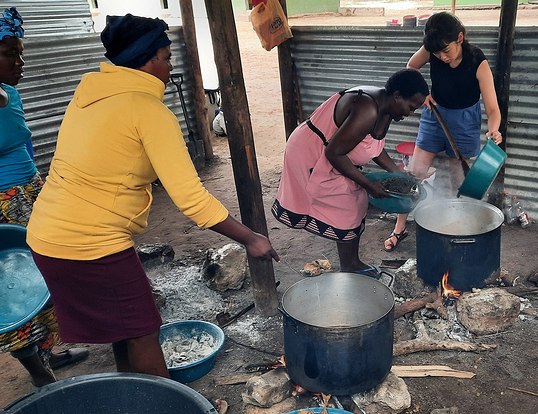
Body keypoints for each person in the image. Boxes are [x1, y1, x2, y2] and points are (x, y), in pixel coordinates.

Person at [26, 14, 279, 378]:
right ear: (148, 61)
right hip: (87, 243)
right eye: (166, 57)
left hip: (48, 235)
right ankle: (162, 402)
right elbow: (191, 199)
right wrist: (249, 238)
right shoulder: (148, 111)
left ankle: (134, 397)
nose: (169, 65)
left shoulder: (91, 93)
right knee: (143, 331)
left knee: (124, 329)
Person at [0, 7, 88, 387]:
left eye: (20, 53)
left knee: (45, 271)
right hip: (3, 203)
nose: (20, 62)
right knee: (12, 286)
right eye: (10, 54)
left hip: (30, 191)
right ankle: (38, 373)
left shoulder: (11, 93)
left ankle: (49, 350)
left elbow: (24, 144)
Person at [272, 69, 429, 277]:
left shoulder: (386, 105)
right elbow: (334, 153)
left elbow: (372, 145)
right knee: (348, 204)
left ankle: (351, 263)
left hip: (331, 151)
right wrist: (369, 184)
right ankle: (350, 265)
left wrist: (397, 172)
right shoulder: (367, 109)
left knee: (355, 201)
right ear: (397, 96)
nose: (410, 113)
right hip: (311, 153)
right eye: (410, 107)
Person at [384, 12, 503, 252]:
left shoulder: (477, 62)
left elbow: (492, 108)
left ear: (460, 38)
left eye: (446, 51)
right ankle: (400, 227)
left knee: (460, 180)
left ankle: (459, 227)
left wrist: (493, 130)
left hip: (465, 122)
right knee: (415, 172)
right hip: (434, 116)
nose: (442, 57)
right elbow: (411, 66)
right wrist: (423, 93)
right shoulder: (433, 48)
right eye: (437, 54)